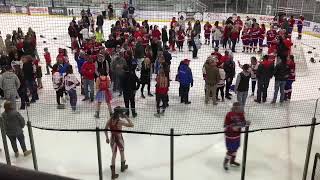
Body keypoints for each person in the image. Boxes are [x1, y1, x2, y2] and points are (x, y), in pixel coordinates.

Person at [105, 106, 133, 180]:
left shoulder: (110, 119)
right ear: (119, 114)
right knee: (122, 151)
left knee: (113, 155)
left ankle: (113, 174)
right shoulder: (120, 122)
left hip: (112, 139)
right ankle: (122, 167)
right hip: (119, 138)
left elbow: (105, 128)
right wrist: (126, 117)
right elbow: (131, 125)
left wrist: (107, 138)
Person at [223, 102, 250, 170]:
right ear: (234, 107)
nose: (238, 109)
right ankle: (225, 162)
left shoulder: (241, 114)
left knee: (236, 148)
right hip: (229, 135)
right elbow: (225, 125)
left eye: (239, 107)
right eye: (237, 107)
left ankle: (232, 161)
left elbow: (243, 123)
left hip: (237, 135)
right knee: (230, 150)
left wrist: (246, 123)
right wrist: (232, 127)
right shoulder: (229, 114)